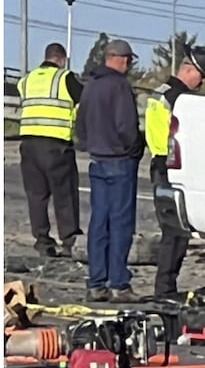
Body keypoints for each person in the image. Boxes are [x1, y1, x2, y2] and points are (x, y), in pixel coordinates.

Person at [74, 39, 144, 303]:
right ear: (123, 59)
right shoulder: (119, 87)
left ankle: (96, 282)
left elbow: (80, 124)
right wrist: (134, 147)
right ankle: (119, 283)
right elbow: (127, 126)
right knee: (121, 223)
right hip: (119, 160)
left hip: (97, 160)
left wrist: (90, 144)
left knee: (98, 222)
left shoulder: (90, 87)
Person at [146, 45, 205, 302]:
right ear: (190, 70)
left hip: (160, 163)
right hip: (171, 167)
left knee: (174, 231)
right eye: (202, 77)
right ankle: (164, 289)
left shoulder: (162, 92)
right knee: (176, 232)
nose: (202, 83)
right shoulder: (181, 99)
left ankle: (165, 286)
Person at [16, 43, 84, 258]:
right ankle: (69, 238)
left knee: (36, 196)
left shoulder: (26, 80)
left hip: (28, 145)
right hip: (56, 145)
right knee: (64, 194)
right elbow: (83, 100)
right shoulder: (65, 78)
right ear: (62, 59)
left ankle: (43, 241)